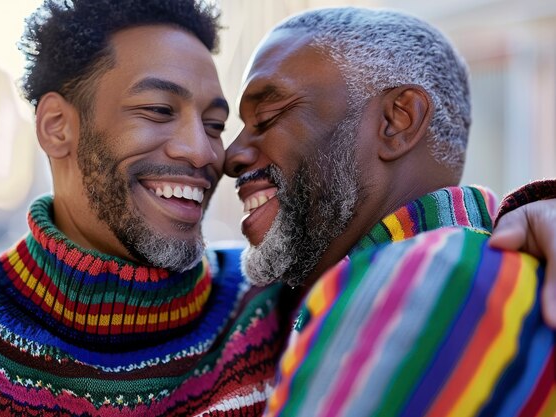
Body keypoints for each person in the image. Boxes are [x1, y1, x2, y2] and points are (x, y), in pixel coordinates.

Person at [0, 1, 294, 416]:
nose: (202, 152)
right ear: (57, 127)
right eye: (159, 110)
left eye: (214, 126)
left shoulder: (274, 311)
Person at [223, 7, 556, 416]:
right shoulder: (489, 261)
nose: (231, 155)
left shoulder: (429, 277)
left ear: (397, 122)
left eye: (269, 116)